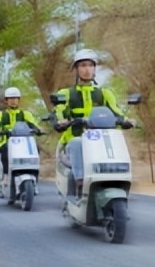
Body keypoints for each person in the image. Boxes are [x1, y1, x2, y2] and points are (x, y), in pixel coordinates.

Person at [52, 48, 134, 197]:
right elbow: (59, 111)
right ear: (76, 69)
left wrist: (126, 120)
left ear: (94, 69)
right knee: (77, 143)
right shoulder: (66, 93)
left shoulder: (104, 93)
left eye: (90, 65)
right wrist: (60, 121)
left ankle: (117, 180)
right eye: (83, 65)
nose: (87, 69)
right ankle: (80, 183)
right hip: (74, 138)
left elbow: (117, 111)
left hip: (100, 140)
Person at [0, 87, 43, 196]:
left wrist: (39, 129)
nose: (13, 101)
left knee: (37, 147)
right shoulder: (1, 115)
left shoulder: (25, 114)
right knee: (4, 150)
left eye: (15, 98)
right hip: (7, 142)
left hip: (24, 143)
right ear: (6, 100)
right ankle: (6, 175)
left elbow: (33, 124)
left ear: (19, 100)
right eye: (10, 98)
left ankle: (34, 178)